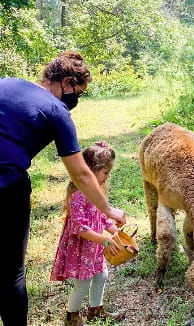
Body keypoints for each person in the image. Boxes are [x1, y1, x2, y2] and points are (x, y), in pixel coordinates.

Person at [0, 51, 126, 326]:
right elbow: (80, 173)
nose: (75, 101)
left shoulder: (7, 82)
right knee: (11, 274)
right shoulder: (57, 111)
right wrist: (109, 210)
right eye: (77, 94)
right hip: (6, 186)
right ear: (66, 82)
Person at [51, 142, 123, 325]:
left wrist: (115, 231)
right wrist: (105, 239)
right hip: (81, 250)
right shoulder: (77, 196)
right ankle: (71, 316)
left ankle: (95, 310)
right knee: (82, 284)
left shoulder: (96, 193)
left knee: (102, 276)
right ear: (91, 170)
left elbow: (102, 217)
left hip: (95, 248)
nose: (107, 177)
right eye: (105, 172)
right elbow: (79, 229)